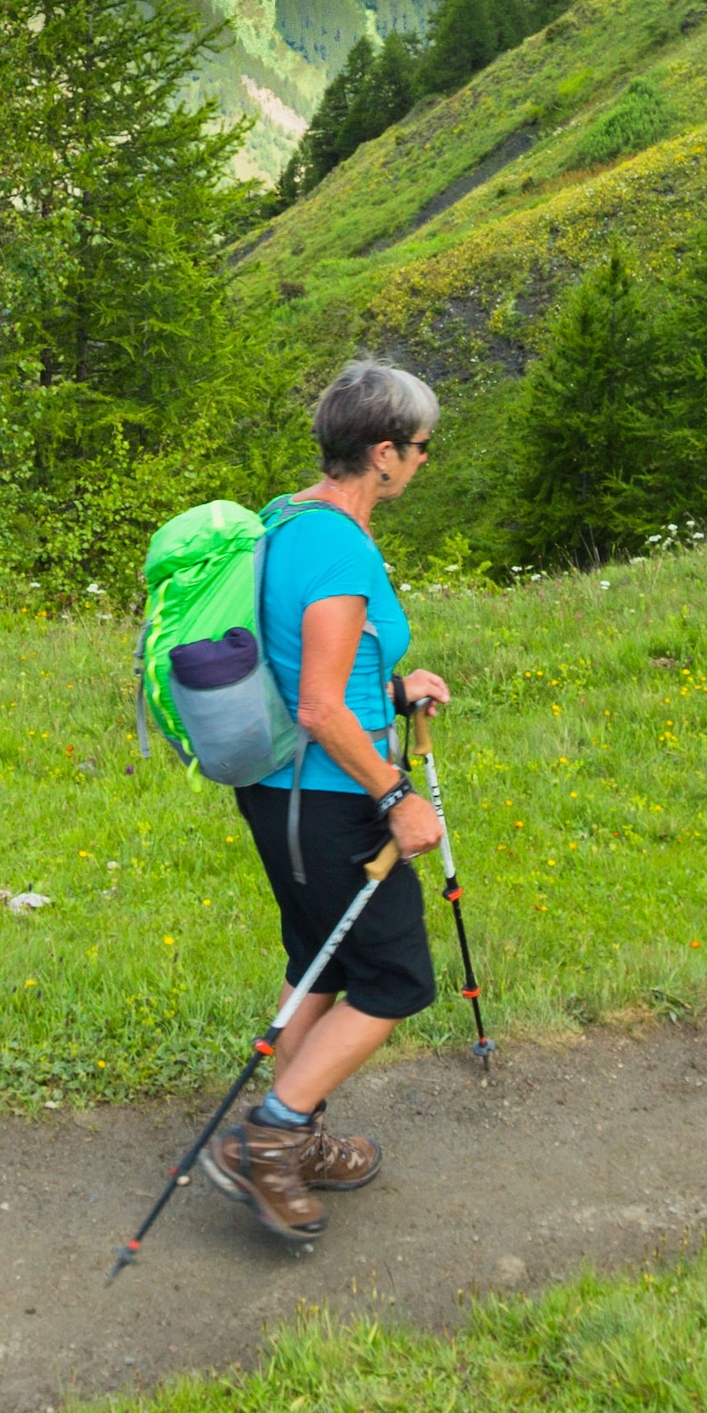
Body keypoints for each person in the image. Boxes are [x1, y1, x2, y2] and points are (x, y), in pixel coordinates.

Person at [198, 360, 455, 1246]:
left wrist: (394, 681)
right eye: (420, 448)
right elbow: (316, 702)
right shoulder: (341, 547)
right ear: (383, 451)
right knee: (393, 977)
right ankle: (267, 1139)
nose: (423, 461)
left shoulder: (287, 516)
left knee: (319, 956)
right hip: (333, 798)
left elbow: (310, 656)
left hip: (281, 794)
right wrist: (398, 796)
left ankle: (291, 1131)